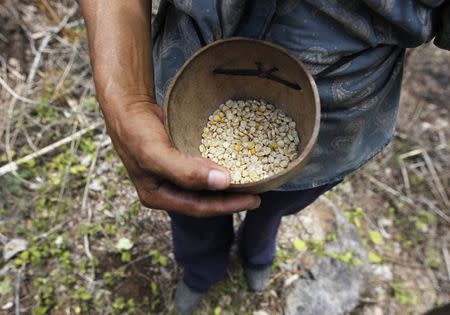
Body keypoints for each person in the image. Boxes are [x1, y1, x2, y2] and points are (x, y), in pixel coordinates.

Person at [80, 0, 449, 313]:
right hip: (184, 98)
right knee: (191, 209)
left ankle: (258, 247)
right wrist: (125, 94)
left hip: (333, 128)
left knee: (277, 205)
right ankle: (200, 270)